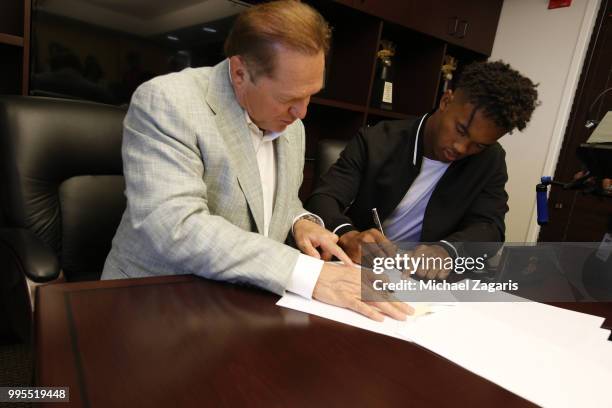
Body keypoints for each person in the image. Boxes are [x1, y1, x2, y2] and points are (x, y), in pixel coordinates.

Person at [102, 0, 410, 322]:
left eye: (310, 95)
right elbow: (176, 227)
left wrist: (299, 222)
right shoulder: (168, 102)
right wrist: (308, 274)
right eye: (288, 98)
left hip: (240, 302)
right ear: (239, 73)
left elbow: (279, 202)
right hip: (155, 301)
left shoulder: (294, 128)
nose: (302, 112)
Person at [306, 61, 539, 280]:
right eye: (460, 130)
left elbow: (490, 227)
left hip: (421, 282)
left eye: (478, 145)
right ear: (446, 101)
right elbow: (323, 198)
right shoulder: (377, 140)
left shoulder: (489, 160)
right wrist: (348, 235)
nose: (461, 148)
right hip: (356, 269)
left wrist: (446, 250)